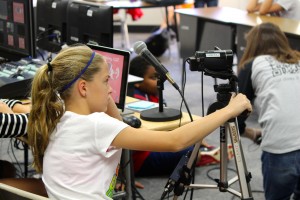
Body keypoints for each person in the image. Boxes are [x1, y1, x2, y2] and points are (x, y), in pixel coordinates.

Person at [26, 44, 251, 200]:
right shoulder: (96, 125)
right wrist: (230, 109)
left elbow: (119, 128)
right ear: (83, 88)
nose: (111, 89)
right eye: (106, 82)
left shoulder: (58, 116)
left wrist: (105, 98)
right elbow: (175, 141)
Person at [238, 22, 300, 200]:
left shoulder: (252, 65)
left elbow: (237, 116)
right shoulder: (298, 59)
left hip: (281, 150)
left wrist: (250, 133)